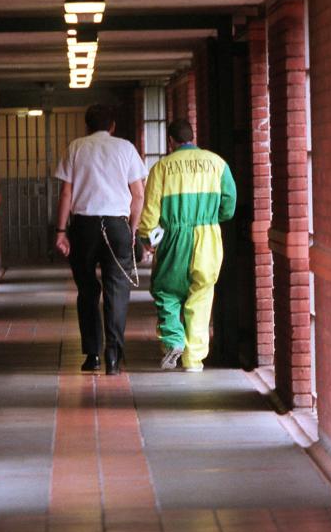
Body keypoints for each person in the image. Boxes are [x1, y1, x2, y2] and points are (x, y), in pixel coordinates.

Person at [54, 104, 148, 375]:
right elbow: (139, 195)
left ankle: (92, 355)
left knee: (87, 290)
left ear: (87, 126)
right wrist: (132, 228)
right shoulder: (126, 148)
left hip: (84, 227)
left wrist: (61, 231)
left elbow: (65, 194)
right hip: (117, 226)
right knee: (117, 289)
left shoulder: (76, 147)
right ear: (113, 126)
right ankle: (114, 357)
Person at [138, 119, 236, 372]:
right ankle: (194, 360)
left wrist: (147, 238)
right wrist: (212, 218)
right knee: (201, 296)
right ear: (193, 136)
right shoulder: (217, 163)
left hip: (174, 238)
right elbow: (229, 205)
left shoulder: (161, 168)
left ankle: (173, 340)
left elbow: (150, 211)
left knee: (165, 292)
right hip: (208, 237)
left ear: (170, 141)